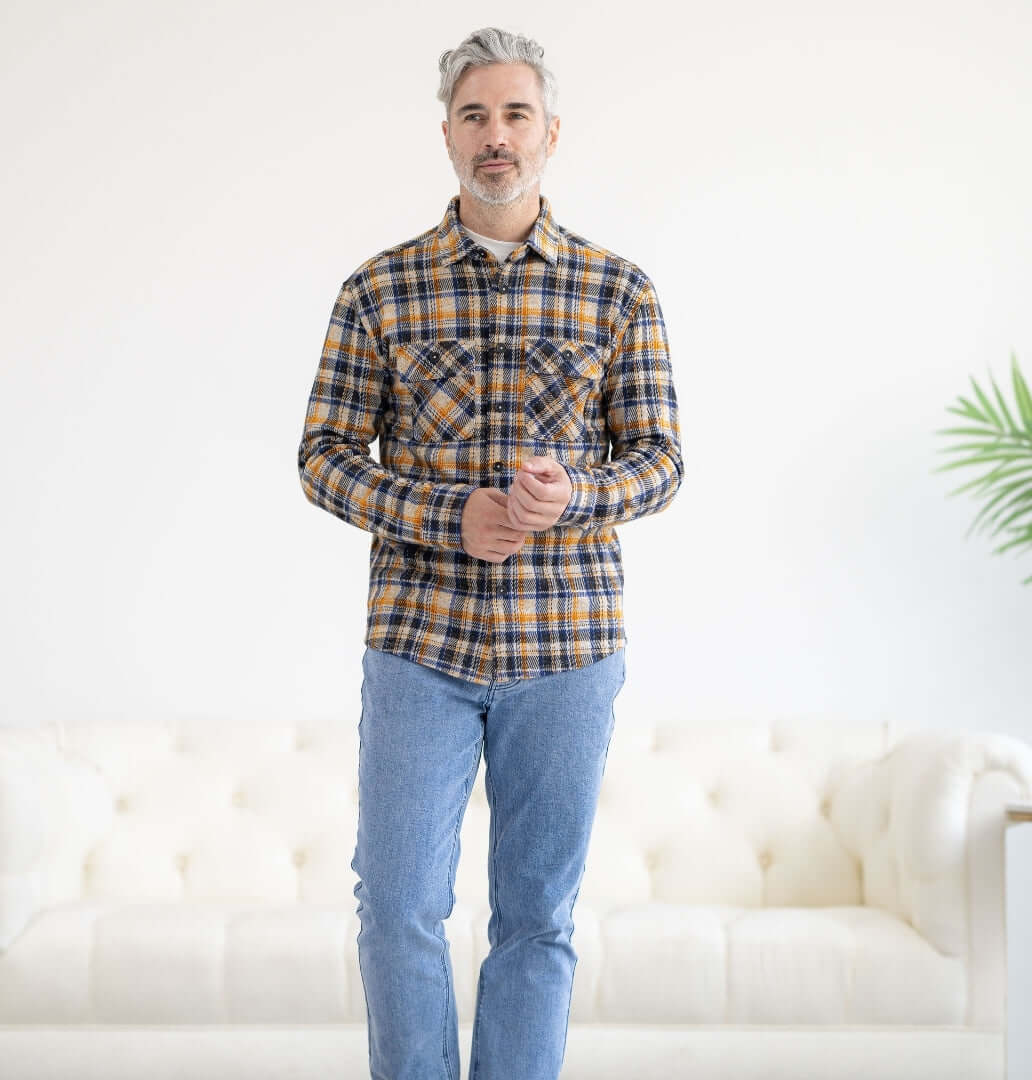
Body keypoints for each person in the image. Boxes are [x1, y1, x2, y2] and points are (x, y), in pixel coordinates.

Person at [297, 25, 684, 1080]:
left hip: (568, 650)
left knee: (537, 916)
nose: (496, 135)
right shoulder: (379, 290)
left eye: (516, 113)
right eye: (475, 115)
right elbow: (323, 459)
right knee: (397, 910)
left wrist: (578, 498)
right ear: (447, 136)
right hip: (419, 644)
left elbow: (660, 463)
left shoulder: (618, 291)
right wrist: (445, 514)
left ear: (551, 132)